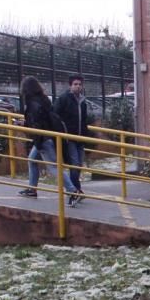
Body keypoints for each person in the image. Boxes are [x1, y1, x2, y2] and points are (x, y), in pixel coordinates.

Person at [17, 76, 77, 203]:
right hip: (47, 136)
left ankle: (73, 191)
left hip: (43, 139)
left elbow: (37, 124)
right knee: (32, 160)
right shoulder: (43, 99)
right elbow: (42, 120)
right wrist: (28, 123)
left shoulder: (32, 103)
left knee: (54, 167)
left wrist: (25, 125)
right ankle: (32, 190)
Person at [54, 74, 91, 204]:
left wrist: (85, 135)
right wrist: (63, 131)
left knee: (78, 166)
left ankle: (76, 191)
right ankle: (74, 192)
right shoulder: (64, 99)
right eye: (75, 84)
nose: (78, 86)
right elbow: (55, 115)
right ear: (70, 85)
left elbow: (84, 119)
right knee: (74, 165)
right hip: (69, 138)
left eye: (80, 84)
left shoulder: (82, 101)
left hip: (80, 138)